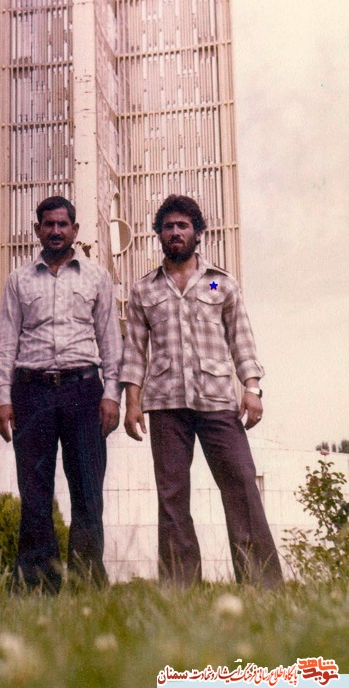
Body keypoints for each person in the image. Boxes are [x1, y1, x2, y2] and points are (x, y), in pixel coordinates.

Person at [121, 194, 283, 588]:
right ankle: (181, 589)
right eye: (168, 227)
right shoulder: (144, 290)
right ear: (159, 234)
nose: (175, 232)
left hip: (217, 401)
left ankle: (261, 586)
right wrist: (132, 402)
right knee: (172, 496)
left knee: (241, 485)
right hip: (165, 403)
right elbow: (134, 352)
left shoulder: (218, 281)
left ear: (198, 234)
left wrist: (252, 388)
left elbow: (241, 338)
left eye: (183, 226)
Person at [0, 196, 123, 591]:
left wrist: (111, 394)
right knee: (34, 493)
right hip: (31, 392)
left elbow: (110, 341)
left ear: (75, 230)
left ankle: (87, 585)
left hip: (84, 391)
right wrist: (2, 397)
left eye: (63, 224)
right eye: (48, 224)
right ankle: (36, 586)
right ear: (37, 230)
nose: (55, 231)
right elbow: (5, 342)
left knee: (87, 491)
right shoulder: (18, 280)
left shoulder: (97, 277)